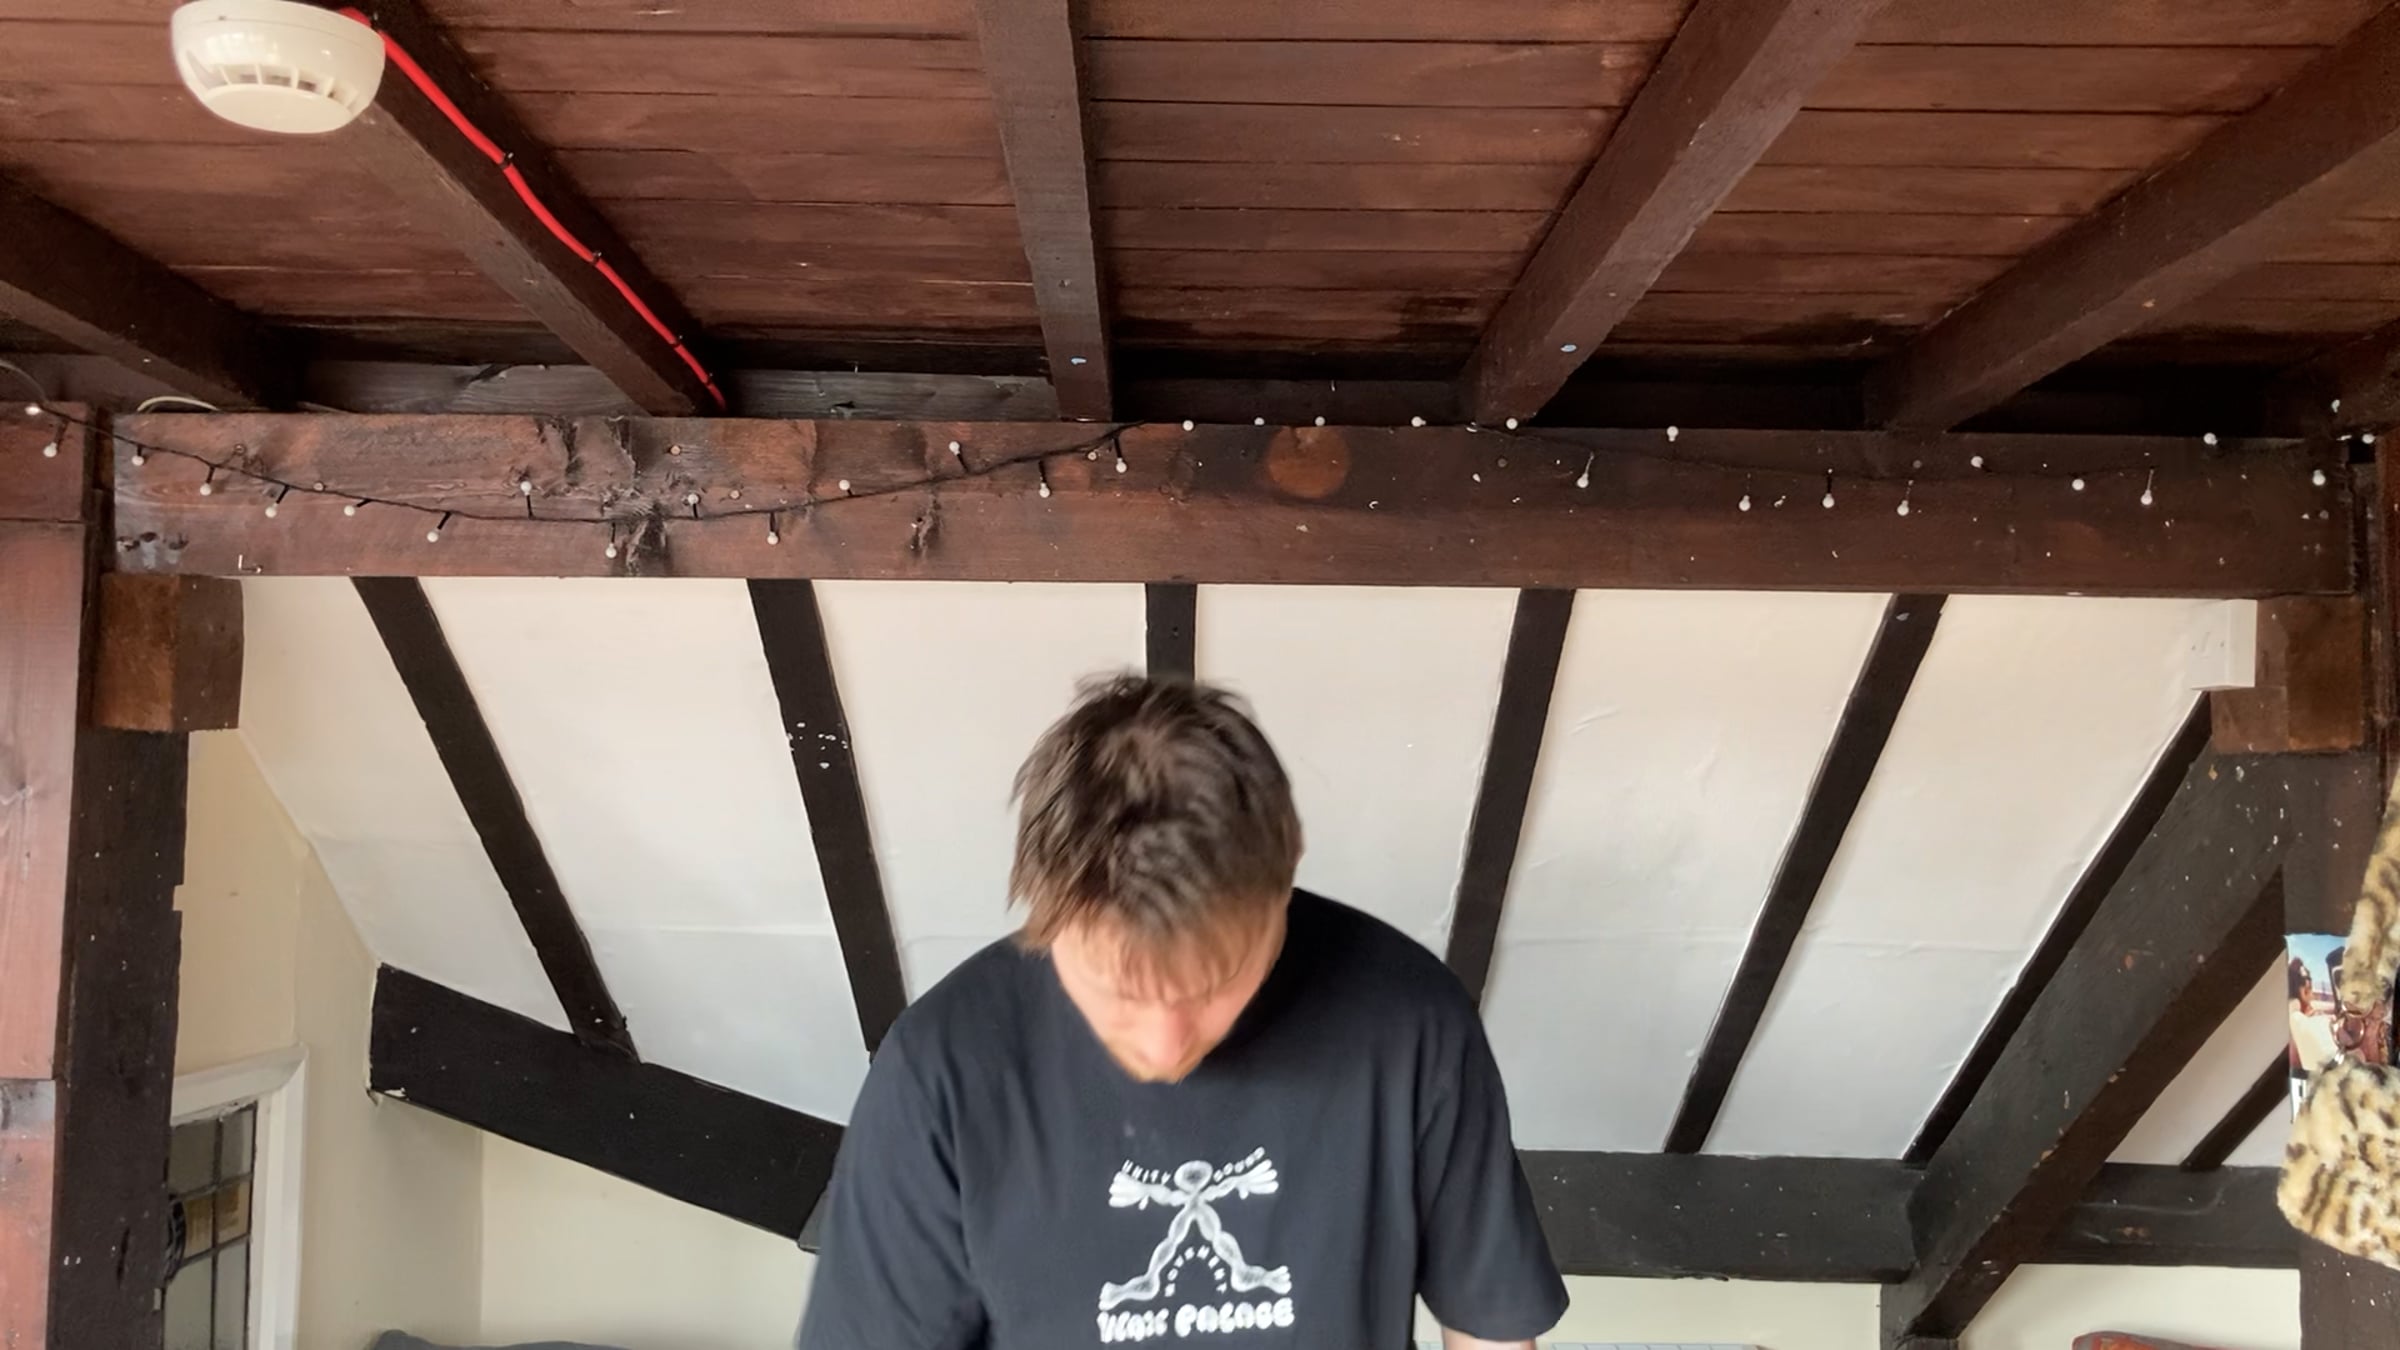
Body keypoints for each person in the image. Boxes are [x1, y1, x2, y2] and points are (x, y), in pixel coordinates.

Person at [799, 676, 1567, 1350]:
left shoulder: (1414, 1026)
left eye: (1214, 982)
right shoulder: (941, 1071)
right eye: (1118, 991)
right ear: (1046, 909)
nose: (1166, 1046)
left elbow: (1489, 1319)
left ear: (1286, 869)